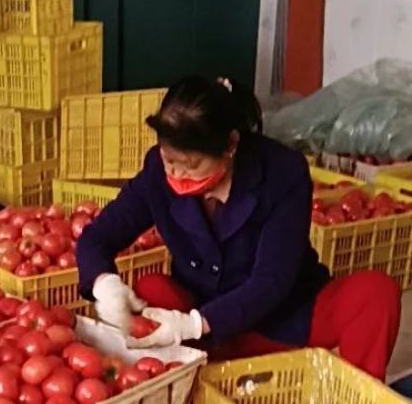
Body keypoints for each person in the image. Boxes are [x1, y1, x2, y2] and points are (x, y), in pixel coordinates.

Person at [77, 75, 401, 380]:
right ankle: (190, 377)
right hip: (202, 321)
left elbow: (272, 281)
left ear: (230, 145)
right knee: (152, 290)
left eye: (191, 166)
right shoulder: (156, 172)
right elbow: (97, 237)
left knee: (375, 295)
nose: (176, 174)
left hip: (283, 319)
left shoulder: (283, 172)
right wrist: (104, 284)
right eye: (168, 160)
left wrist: (197, 324)